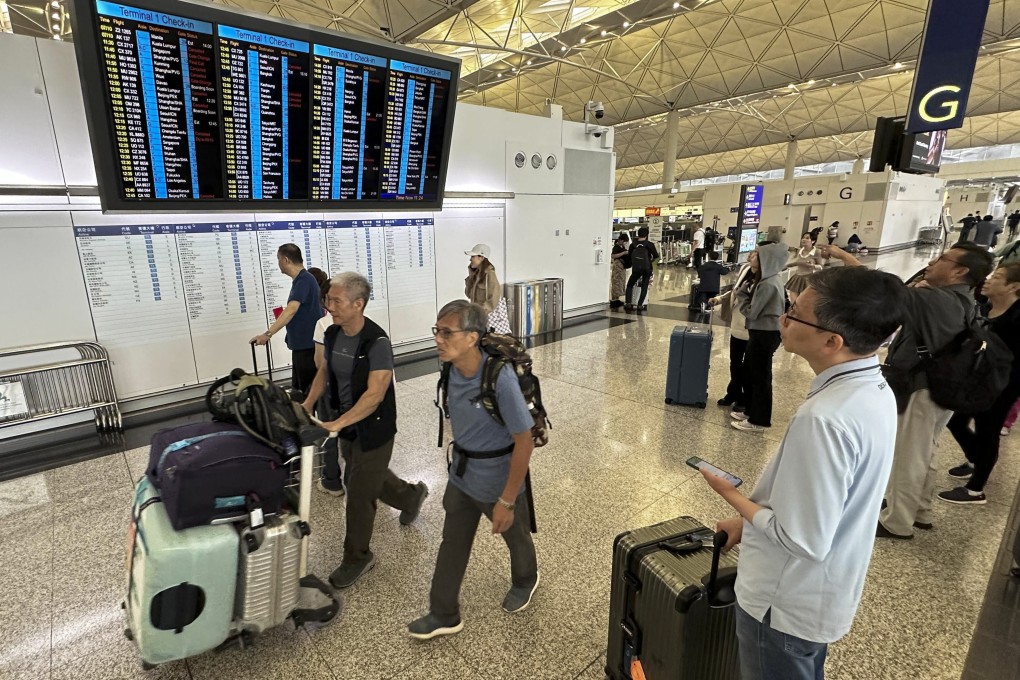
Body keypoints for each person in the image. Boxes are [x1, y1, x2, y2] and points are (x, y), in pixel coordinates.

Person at [702, 266, 907, 680]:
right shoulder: (875, 387)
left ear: (833, 341)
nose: (783, 317)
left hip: (783, 606)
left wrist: (732, 495)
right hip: (823, 592)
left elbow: (803, 539)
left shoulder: (824, 419)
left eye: (794, 312)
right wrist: (750, 522)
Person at [827, 243, 994, 538]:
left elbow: (879, 287)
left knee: (908, 454)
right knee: (924, 449)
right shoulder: (964, 301)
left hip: (922, 386)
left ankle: (897, 521)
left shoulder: (937, 300)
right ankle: (919, 511)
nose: (932, 262)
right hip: (944, 386)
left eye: (942, 259)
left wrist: (843, 257)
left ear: (960, 271)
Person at [408, 301, 539, 640]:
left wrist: (508, 500)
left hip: (500, 478)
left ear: (471, 337)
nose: (438, 338)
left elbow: (523, 441)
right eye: (436, 330)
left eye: (446, 332)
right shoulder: (450, 369)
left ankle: (526, 579)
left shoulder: (501, 378)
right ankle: (444, 613)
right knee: (452, 541)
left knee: (516, 537)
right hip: (462, 475)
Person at [301, 272, 430, 587]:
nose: (329, 306)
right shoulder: (332, 334)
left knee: (359, 492)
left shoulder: (377, 342)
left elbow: (374, 395)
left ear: (358, 304)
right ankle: (411, 496)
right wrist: (307, 405)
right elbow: (324, 372)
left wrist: (337, 423)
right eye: (329, 299)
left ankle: (358, 556)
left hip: (374, 427)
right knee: (366, 474)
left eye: (336, 301)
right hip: (347, 425)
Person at [939, 264, 1020, 505]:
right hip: (978, 379)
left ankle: (976, 489)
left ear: (1013, 286)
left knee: (988, 430)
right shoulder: (984, 308)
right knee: (955, 421)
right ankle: (976, 458)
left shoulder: (1017, 316)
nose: (988, 280)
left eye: (997, 277)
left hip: (1004, 383)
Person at [731, 242, 788, 433]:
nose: (751, 256)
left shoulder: (767, 284)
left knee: (760, 377)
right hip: (761, 333)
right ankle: (750, 410)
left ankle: (759, 419)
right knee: (751, 372)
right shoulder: (767, 280)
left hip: (764, 334)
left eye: (757, 255)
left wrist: (742, 296)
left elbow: (752, 312)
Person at [251, 244, 322, 395]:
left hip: (306, 347)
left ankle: (308, 418)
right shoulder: (302, 280)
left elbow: (291, 310)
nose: (278, 263)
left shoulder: (304, 280)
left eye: (278, 259)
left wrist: (268, 334)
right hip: (301, 346)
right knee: (299, 391)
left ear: (285, 260)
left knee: (306, 393)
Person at [310, 274, 344, 497]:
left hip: (332, 389)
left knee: (329, 432)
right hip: (355, 393)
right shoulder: (365, 321)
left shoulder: (323, 324)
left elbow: (319, 362)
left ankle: (332, 482)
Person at [709, 259, 754, 409]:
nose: (751, 257)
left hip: (751, 329)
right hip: (737, 327)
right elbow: (736, 290)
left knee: (748, 366)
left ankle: (745, 398)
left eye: (756, 255)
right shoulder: (746, 269)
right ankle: (733, 392)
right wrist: (719, 299)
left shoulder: (764, 280)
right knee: (735, 363)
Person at [625, 227, 660, 312]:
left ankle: (628, 303)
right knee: (644, 286)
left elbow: (629, 257)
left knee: (630, 284)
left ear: (638, 234)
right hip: (647, 268)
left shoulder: (633, 245)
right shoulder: (649, 244)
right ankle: (640, 304)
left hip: (636, 269)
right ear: (647, 235)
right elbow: (656, 256)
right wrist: (650, 262)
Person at [785, 232, 825, 304]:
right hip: (797, 278)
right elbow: (793, 262)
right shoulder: (799, 250)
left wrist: (812, 266)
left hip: (808, 278)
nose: (804, 240)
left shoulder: (817, 252)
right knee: (794, 303)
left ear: (813, 241)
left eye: (807, 238)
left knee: (805, 303)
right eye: (803, 238)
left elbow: (821, 267)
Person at [464, 244, 501, 314]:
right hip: (476, 314)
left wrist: (481, 313)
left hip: (484, 316)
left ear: (481, 258)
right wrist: (471, 275)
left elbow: (494, 299)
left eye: (473, 256)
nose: (470, 259)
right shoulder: (476, 274)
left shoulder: (490, 274)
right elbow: (468, 294)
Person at [609, 233, 630, 309]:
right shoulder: (616, 247)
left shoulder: (622, 246)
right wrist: (624, 253)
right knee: (616, 281)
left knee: (620, 282)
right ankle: (614, 299)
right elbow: (613, 256)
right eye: (624, 241)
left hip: (622, 267)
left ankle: (617, 298)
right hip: (617, 266)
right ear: (621, 240)